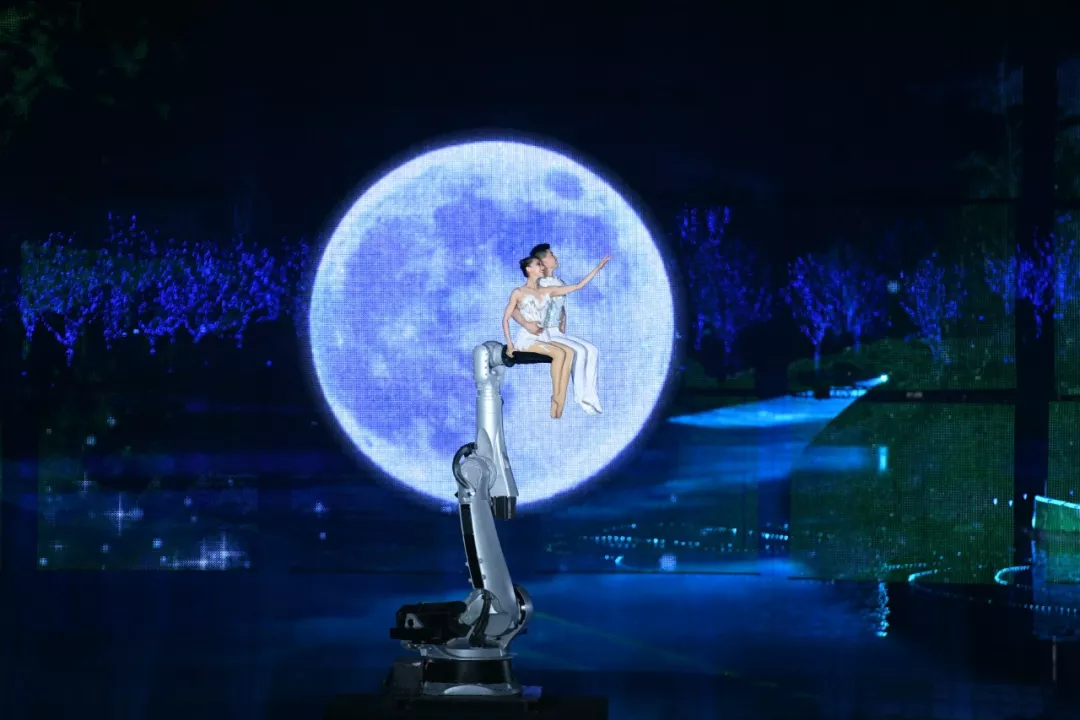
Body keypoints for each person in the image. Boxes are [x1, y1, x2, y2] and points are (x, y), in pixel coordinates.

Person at [503, 254, 611, 419]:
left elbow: (578, 286)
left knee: (570, 352)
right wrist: (510, 345)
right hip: (527, 338)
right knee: (560, 353)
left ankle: (560, 399)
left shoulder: (546, 291)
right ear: (529, 269)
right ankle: (556, 398)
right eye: (538, 265)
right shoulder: (518, 292)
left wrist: (598, 267)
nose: (542, 267)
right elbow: (505, 318)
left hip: (543, 336)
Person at [530, 243, 604, 415]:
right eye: (551, 254)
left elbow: (561, 308)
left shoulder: (558, 281)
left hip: (556, 331)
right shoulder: (541, 284)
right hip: (544, 333)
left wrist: (563, 326)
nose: (555, 257)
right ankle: (581, 397)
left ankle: (591, 395)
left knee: (592, 350)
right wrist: (598, 268)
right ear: (543, 262)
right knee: (579, 351)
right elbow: (577, 286)